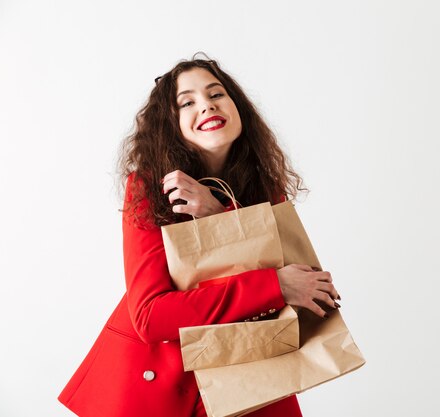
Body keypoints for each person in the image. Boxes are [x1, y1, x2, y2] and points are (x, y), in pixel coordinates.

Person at [58, 54, 340, 417]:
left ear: (237, 107)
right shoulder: (150, 188)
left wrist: (216, 215)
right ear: (171, 124)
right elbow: (150, 316)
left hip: (252, 378)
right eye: (187, 102)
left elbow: (305, 287)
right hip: (165, 386)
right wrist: (274, 286)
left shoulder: (266, 188)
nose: (206, 106)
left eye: (216, 94)